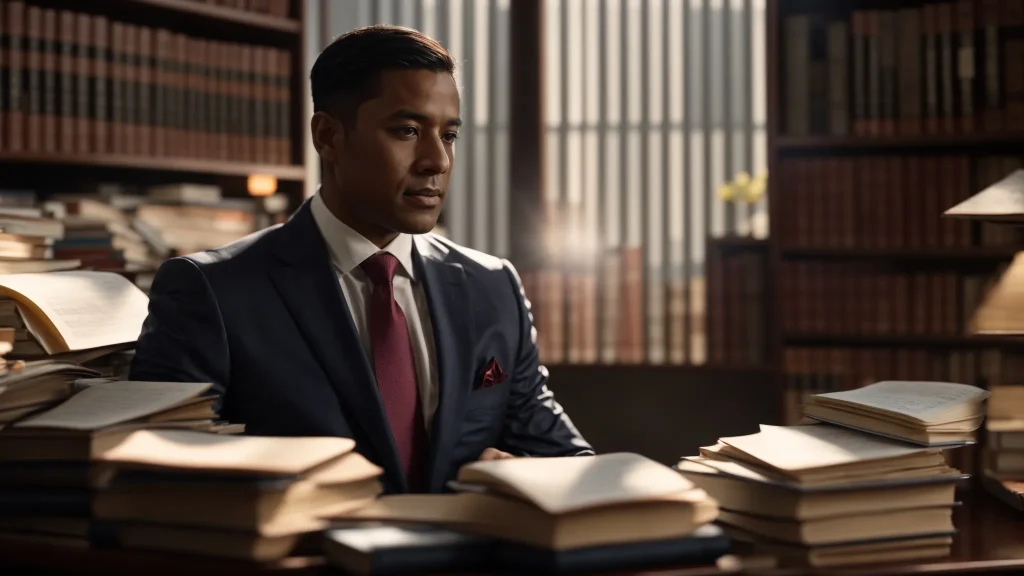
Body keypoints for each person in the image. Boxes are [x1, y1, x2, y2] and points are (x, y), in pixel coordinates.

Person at [129, 25, 593, 494]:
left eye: (449, 134)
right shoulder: (213, 292)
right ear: (328, 136)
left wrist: (520, 475)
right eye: (408, 131)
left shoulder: (492, 287)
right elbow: (161, 488)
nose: (437, 160)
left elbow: (564, 459)